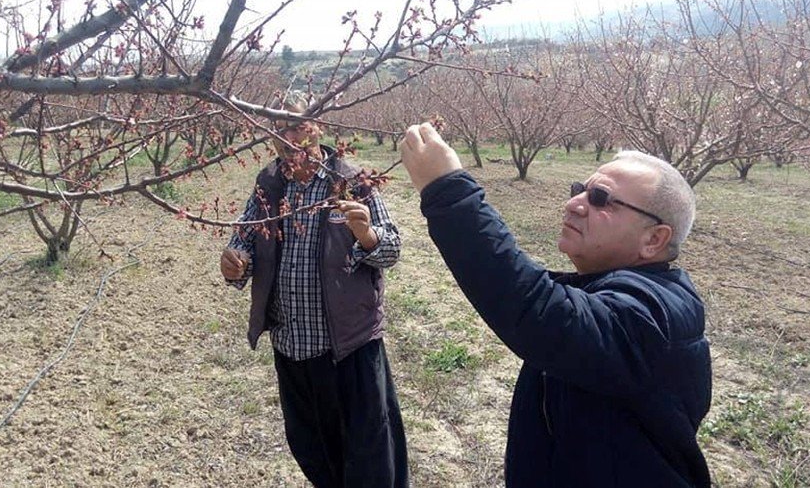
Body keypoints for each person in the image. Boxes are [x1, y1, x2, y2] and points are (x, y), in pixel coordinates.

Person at [399, 123, 712, 487]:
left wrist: (447, 192)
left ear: (653, 239)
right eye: (579, 190)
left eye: (600, 198)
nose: (574, 203)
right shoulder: (613, 291)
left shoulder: (654, 316)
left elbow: (541, 313)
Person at [220, 94, 407, 488]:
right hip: (293, 348)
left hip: (349, 347)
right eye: (279, 128)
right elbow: (245, 240)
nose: (290, 138)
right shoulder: (269, 184)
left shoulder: (350, 181)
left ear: (317, 127)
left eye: (298, 126)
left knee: (370, 453)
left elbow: (392, 249)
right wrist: (235, 261)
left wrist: (367, 235)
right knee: (311, 447)